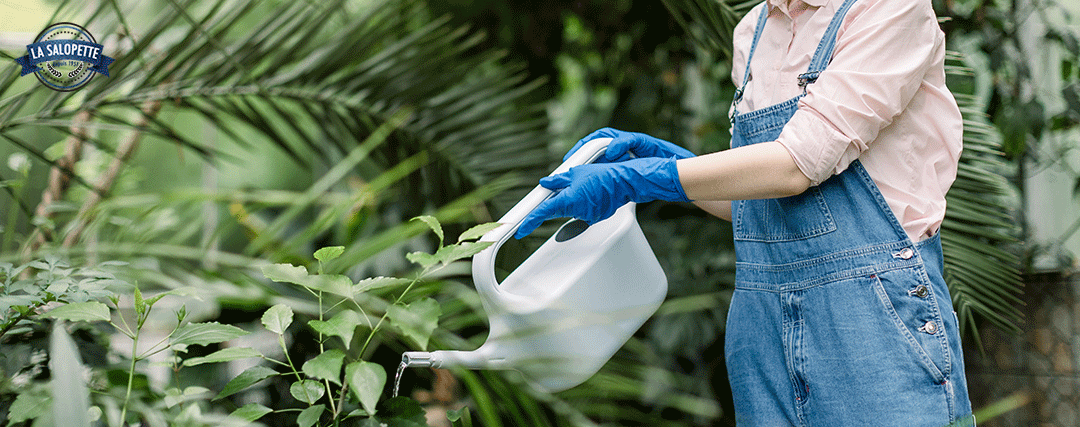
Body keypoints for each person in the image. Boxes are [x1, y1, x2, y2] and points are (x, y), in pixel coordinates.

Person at [514, 0, 975, 425]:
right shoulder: (753, 31)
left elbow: (798, 164)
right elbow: (760, 208)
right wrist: (667, 165)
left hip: (873, 318)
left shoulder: (891, 9)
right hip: (760, 325)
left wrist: (653, 175)